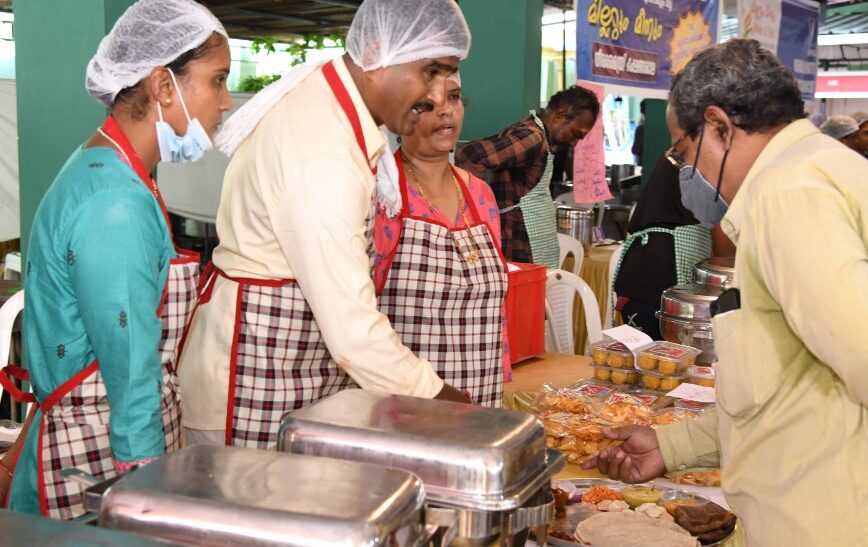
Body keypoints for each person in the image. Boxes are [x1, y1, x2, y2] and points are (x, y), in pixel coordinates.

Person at [583, 39, 868, 546]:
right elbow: (788, 391)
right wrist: (672, 445)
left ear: (719, 125)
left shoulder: (788, 197)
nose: (686, 174)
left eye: (685, 153)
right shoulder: (824, 169)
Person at [177, 0, 473, 450]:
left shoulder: (332, 107)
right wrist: (447, 405)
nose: (436, 95)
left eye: (447, 76)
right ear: (377, 54)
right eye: (430, 71)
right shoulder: (321, 151)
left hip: (283, 368)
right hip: (250, 381)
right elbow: (352, 330)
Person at [0, 0, 231, 519]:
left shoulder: (119, 172)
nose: (225, 102)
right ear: (164, 86)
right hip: (101, 458)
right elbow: (128, 371)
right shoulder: (115, 204)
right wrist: (144, 496)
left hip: (105, 438)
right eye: (216, 81)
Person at [374, 73, 508, 406]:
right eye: (427, 104)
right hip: (404, 404)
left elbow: (498, 312)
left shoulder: (480, 193)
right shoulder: (380, 191)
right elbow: (355, 310)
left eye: (453, 97)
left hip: (481, 399)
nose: (445, 111)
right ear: (398, 115)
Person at [455, 86, 599, 267]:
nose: (574, 143)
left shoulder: (537, 135)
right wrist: (476, 213)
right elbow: (470, 155)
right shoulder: (533, 138)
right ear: (560, 115)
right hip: (518, 246)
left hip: (525, 246)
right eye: (576, 134)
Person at [612, 147, 712, 339]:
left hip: (651, 263)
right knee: (651, 357)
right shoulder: (697, 153)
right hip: (657, 270)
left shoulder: (688, 149)